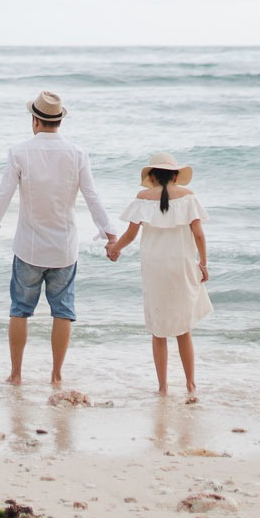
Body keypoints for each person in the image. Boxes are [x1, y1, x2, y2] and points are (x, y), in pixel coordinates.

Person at [0, 89, 117, 387]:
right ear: (59, 121)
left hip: (29, 248)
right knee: (62, 311)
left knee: (20, 311)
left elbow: (3, 194)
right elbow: (92, 197)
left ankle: (16, 374)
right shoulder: (77, 154)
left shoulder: (20, 152)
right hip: (64, 248)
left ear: (35, 120)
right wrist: (109, 233)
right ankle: (56, 375)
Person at [105, 151, 211, 398]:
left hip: (154, 267)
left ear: (151, 176)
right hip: (181, 264)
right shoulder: (188, 197)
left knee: (159, 329)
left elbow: (130, 235)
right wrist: (204, 263)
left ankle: (162, 388)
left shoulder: (142, 198)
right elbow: (198, 234)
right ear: (175, 176)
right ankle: (190, 385)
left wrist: (114, 250)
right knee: (184, 328)